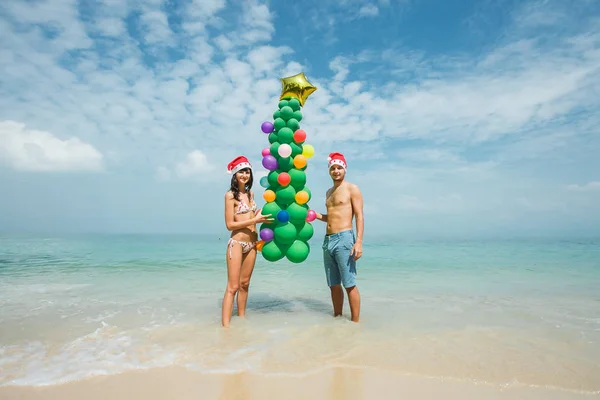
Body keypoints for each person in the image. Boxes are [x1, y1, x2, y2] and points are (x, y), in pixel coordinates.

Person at [221, 155, 273, 327]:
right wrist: (254, 221)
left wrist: (261, 215)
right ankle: (225, 327)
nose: (244, 175)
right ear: (235, 174)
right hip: (237, 243)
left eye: (247, 172)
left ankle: (242, 321)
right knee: (233, 287)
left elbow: (252, 215)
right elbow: (230, 225)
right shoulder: (230, 196)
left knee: (245, 284)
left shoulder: (250, 194)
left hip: (252, 244)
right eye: (241, 172)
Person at [315, 152, 364, 322]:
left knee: (349, 284)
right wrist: (316, 215)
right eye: (333, 168)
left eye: (339, 168)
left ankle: (355, 323)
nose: (336, 171)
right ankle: (337, 320)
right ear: (329, 171)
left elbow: (359, 216)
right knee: (333, 284)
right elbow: (332, 216)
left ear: (345, 169)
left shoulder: (352, 189)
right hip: (328, 240)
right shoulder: (329, 192)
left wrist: (358, 242)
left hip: (344, 239)